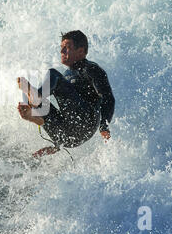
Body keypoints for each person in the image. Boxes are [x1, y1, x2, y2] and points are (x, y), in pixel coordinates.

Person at [17, 30, 115, 158]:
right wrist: (55, 147)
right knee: (43, 101)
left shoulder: (91, 69)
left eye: (67, 48)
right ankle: (36, 117)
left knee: (52, 75)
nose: (61, 51)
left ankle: (36, 103)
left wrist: (103, 126)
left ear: (80, 51)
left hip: (87, 122)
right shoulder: (67, 76)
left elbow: (107, 98)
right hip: (68, 138)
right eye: (61, 47)